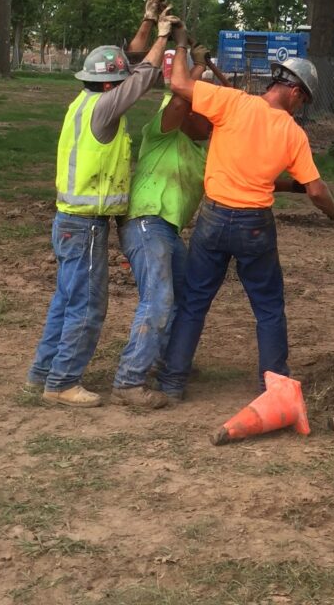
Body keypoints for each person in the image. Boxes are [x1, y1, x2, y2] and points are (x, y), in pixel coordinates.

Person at [156, 48, 334, 401]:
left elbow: (178, 83)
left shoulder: (232, 102)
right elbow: (317, 191)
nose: (300, 108)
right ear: (296, 92)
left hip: (213, 217)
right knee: (269, 308)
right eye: (303, 102)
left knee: (194, 301)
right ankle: (274, 388)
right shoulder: (292, 133)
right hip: (254, 225)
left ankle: (171, 383)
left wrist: (181, 47)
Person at [26, 0, 181, 408]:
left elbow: (129, 60)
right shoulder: (107, 107)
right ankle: (62, 382)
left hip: (68, 222)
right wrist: (165, 40)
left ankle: (42, 371)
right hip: (86, 226)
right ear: (112, 85)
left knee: (65, 299)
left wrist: (147, 24)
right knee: (88, 307)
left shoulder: (83, 101)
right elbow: (143, 75)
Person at [110, 41, 214, 410]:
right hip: (145, 220)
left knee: (185, 298)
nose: (203, 120)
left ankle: (165, 361)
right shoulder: (163, 131)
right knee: (159, 298)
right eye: (199, 113)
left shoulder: (204, 149)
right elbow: (182, 99)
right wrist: (193, 61)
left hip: (166, 230)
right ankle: (129, 380)